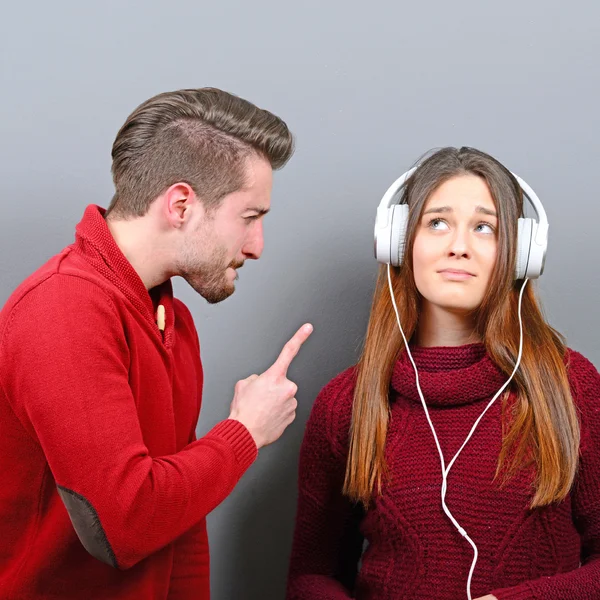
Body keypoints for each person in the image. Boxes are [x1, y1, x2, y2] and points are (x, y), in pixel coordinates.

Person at [0, 87, 312, 600]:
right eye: (250, 218)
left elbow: (179, 528)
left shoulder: (172, 319)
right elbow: (124, 524)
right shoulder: (63, 309)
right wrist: (244, 433)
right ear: (182, 204)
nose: (256, 247)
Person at [287, 147, 600, 600]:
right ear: (399, 240)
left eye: (484, 227)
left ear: (520, 253)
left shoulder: (572, 387)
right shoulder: (348, 402)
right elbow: (310, 575)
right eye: (437, 222)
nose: (459, 245)